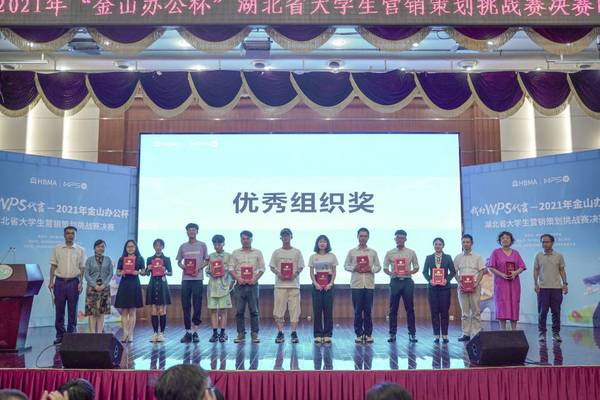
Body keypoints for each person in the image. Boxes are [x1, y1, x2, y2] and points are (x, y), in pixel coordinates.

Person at [49, 226, 86, 345]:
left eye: (72, 233)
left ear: (75, 235)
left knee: (72, 310)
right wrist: (51, 281)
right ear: (64, 235)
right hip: (59, 282)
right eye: (68, 233)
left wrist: (81, 282)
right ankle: (60, 335)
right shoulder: (57, 249)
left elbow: (82, 268)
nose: (70, 235)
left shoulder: (80, 250)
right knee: (59, 310)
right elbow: (53, 266)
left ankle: (71, 335)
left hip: (73, 282)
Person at [344, 227, 381, 344]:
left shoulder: (373, 252)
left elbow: (378, 267)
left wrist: (371, 269)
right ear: (357, 237)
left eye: (365, 236)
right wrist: (353, 268)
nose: (363, 238)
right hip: (356, 285)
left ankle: (368, 334)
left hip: (369, 285)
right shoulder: (352, 252)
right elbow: (345, 265)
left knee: (368, 311)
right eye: (361, 236)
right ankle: (359, 334)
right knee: (357, 311)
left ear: (368, 237)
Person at [228, 230, 265, 344]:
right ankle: (240, 334)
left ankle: (254, 334)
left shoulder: (258, 252)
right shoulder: (235, 253)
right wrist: (238, 278)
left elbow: (262, 268)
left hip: (253, 285)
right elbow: (231, 268)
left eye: (247, 238)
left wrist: (255, 279)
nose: (245, 241)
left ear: (251, 239)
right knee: (239, 311)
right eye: (243, 239)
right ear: (240, 240)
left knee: (254, 311)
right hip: (239, 285)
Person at [383, 229, 420, 343]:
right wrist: (391, 273)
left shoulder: (411, 252)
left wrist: (411, 271)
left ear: (405, 239)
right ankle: (392, 334)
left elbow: (416, 267)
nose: (399, 240)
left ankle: (412, 334)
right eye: (397, 238)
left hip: (407, 281)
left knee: (410, 308)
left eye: (402, 238)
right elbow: (385, 268)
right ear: (395, 239)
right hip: (395, 281)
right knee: (393, 309)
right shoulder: (389, 252)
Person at [270, 228, 305, 344]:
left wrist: (295, 274)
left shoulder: (297, 252)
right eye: (283, 235)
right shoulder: (276, 252)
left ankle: (294, 332)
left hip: (294, 285)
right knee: (278, 310)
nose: (285, 237)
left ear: (291, 237)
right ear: (281, 238)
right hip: (280, 286)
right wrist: (278, 273)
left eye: (287, 235)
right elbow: (272, 267)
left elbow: (301, 266)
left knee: (295, 310)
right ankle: (280, 332)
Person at [176, 223, 209, 343]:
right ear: (187, 232)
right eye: (189, 230)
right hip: (186, 279)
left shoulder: (202, 245)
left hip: (198, 279)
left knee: (197, 305)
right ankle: (188, 331)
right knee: (185, 305)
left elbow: (207, 261)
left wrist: (198, 268)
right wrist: (184, 267)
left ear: (197, 232)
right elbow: (179, 262)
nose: (191, 232)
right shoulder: (183, 246)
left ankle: (195, 332)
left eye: (194, 230)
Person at [487, 231, 526, 330]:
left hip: (514, 284)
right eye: (503, 238)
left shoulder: (516, 253)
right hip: (501, 284)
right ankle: (503, 331)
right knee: (501, 305)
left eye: (507, 238)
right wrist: (502, 274)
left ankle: (514, 330)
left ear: (511, 240)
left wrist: (515, 273)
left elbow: (522, 266)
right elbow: (491, 267)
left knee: (514, 304)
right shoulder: (495, 252)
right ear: (500, 240)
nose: (505, 239)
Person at [534, 233, 568, 342]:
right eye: (543, 242)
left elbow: (562, 270)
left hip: (556, 289)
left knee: (556, 312)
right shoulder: (538, 256)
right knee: (542, 312)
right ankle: (542, 333)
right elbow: (536, 270)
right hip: (543, 289)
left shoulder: (559, 256)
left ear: (552, 243)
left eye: (547, 242)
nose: (545, 244)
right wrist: (535, 284)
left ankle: (556, 334)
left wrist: (565, 284)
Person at [423, 237, 456, 343]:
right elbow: (424, 272)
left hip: (444, 289)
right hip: (432, 289)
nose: (437, 246)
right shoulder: (429, 258)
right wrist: (430, 280)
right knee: (434, 312)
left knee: (444, 312)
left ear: (443, 246)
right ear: (433, 246)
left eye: (439, 244)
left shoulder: (448, 257)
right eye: (436, 244)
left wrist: (447, 280)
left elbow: (453, 272)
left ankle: (445, 335)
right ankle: (436, 335)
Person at [454, 234, 486, 341]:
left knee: (476, 312)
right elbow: (455, 272)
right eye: (463, 242)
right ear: (461, 243)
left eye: (467, 242)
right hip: (462, 288)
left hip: (475, 287)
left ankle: (476, 333)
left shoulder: (478, 257)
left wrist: (476, 283)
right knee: (465, 313)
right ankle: (465, 334)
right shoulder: (458, 257)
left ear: (471, 243)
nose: (465, 244)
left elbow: (481, 271)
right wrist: (459, 283)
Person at [309, 234, 338, 344]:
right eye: (320, 241)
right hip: (317, 282)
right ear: (317, 244)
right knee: (317, 310)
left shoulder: (332, 256)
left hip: (329, 282)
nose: (322, 243)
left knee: (328, 310)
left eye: (324, 241)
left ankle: (327, 334)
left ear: (327, 244)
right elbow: (311, 272)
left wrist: (331, 283)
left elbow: (334, 271)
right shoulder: (313, 256)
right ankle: (317, 334)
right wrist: (315, 283)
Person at [114, 239, 145, 342]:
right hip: (124, 284)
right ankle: (125, 333)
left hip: (134, 284)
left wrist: (138, 272)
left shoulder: (140, 259)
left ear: (135, 248)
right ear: (125, 248)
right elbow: (117, 272)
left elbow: (144, 272)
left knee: (132, 311)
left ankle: (130, 334)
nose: (130, 248)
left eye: (132, 246)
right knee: (124, 311)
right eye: (128, 247)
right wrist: (121, 272)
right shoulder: (122, 259)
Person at [206, 234, 233, 343]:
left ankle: (222, 333)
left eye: (219, 244)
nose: (217, 246)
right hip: (213, 287)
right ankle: (214, 333)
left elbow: (231, 271)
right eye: (215, 244)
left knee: (223, 310)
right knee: (213, 310)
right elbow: (207, 270)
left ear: (223, 243)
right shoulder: (210, 256)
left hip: (224, 286)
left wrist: (231, 283)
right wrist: (210, 272)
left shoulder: (229, 256)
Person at [84, 239, 113, 334]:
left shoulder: (108, 259)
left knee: (101, 312)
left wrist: (104, 285)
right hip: (92, 289)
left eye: (102, 246)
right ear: (94, 248)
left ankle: (100, 334)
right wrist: (95, 285)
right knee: (92, 313)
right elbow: (86, 275)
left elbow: (110, 274)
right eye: (98, 246)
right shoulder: (89, 260)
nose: (100, 248)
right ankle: (92, 335)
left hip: (105, 289)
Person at [146, 238, 172, 343]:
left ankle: (162, 333)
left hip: (162, 284)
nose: (158, 247)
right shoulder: (149, 259)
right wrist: (148, 268)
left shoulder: (166, 259)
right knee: (153, 310)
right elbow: (147, 273)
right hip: (152, 284)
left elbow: (171, 273)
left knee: (162, 310)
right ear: (154, 247)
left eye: (160, 245)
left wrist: (165, 271)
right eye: (156, 245)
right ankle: (155, 333)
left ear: (163, 247)